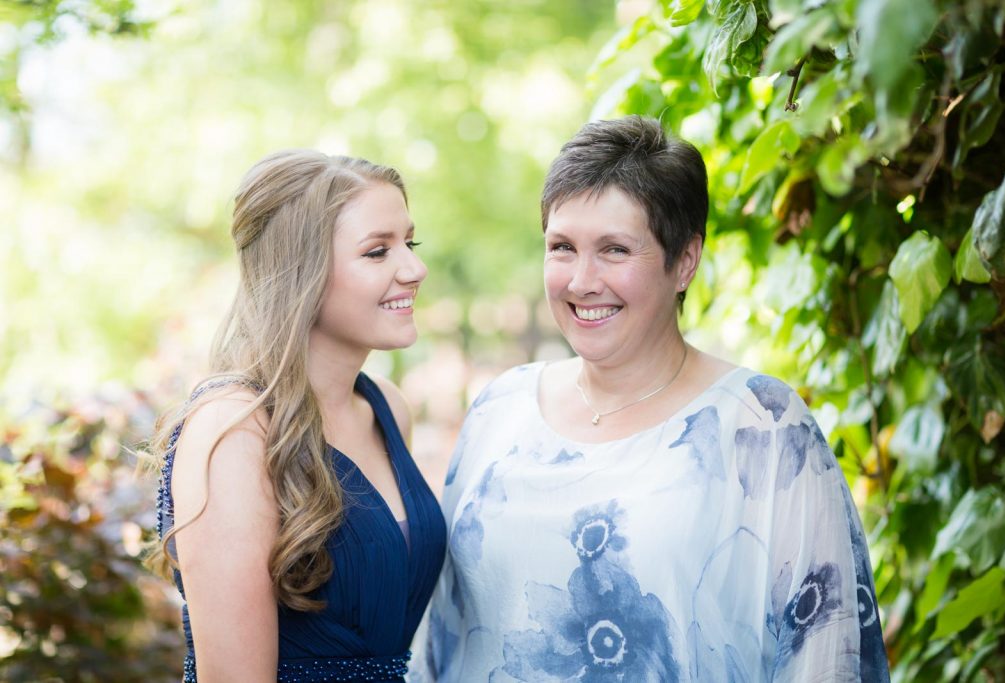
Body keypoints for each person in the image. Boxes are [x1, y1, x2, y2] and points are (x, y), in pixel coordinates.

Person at [423, 117, 889, 681]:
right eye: (562, 247)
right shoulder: (500, 409)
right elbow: (439, 641)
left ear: (685, 261)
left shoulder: (764, 427)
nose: (581, 280)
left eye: (615, 250)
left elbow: (827, 651)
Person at [150, 150, 446, 682]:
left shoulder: (386, 409)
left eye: (411, 242)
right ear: (301, 272)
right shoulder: (235, 432)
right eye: (378, 252)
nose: (415, 268)